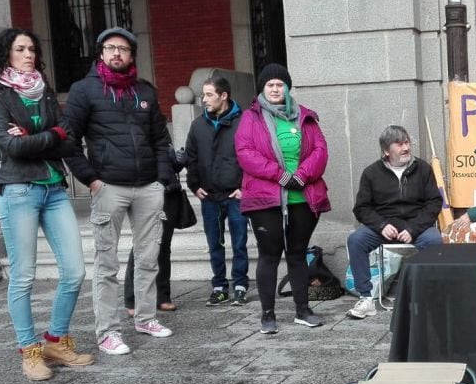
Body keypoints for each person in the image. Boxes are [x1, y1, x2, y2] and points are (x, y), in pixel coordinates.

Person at [0, 28, 93, 380]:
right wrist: (49, 136)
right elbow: (11, 147)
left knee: (75, 271)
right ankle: (29, 351)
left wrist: (35, 136)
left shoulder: (41, 90)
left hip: (54, 188)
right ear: (5, 54)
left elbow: (69, 138)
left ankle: (55, 340)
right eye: (20, 49)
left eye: (32, 49)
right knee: (23, 276)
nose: (28, 54)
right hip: (18, 190)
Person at [63, 26, 174, 355]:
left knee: (149, 259)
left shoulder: (145, 92)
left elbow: (160, 139)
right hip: (109, 186)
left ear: (131, 56)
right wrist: (91, 180)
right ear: (100, 53)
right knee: (106, 264)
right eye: (110, 48)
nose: (116, 54)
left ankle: (145, 317)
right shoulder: (84, 91)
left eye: (123, 50)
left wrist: (162, 180)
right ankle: (108, 332)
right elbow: (68, 140)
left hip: (147, 187)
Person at [235, 63, 330, 334]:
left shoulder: (305, 117)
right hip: (267, 198)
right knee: (269, 255)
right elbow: (245, 152)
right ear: (263, 89)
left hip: (303, 196)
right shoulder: (250, 118)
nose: (275, 89)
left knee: (298, 254)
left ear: (287, 88)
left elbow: (320, 151)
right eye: (270, 85)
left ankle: (302, 310)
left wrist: (301, 175)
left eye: (280, 85)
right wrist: (280, 175)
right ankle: (268, 314)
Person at [346, 125, 443, 319]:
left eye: (406, 142)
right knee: (356, 240)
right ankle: (366, 298)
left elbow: (434, 203)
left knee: (435, 242)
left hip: (415, 225)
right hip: (384, 226)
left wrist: (413, 228)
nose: (405, 148)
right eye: (398, 144)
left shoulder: (423, 169)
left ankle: (431, 296)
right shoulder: (371, 173)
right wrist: (381, 225)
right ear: (386, 151)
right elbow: (362, 208)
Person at [185, 71, 249, 307]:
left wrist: (245, 186)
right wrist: (194, 185)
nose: (204, 100)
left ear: (224, 96)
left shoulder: (244, 122)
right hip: (209, 196)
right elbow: (190, 157)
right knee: (214, 244)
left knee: (239, 243)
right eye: (203, 95)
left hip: (236, 195)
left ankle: (240, 286)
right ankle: (219, 287)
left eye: (209, 95)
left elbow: (252, 156)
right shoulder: (198, 125)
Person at [123, 145, 185, 314]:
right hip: (145, 192)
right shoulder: (135, 132)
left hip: (169, 193)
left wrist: (178, 161)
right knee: (141, 246)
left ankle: (162, 297)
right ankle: (132, 300)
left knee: (163, 246)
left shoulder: (160, 133)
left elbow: (168, 164)